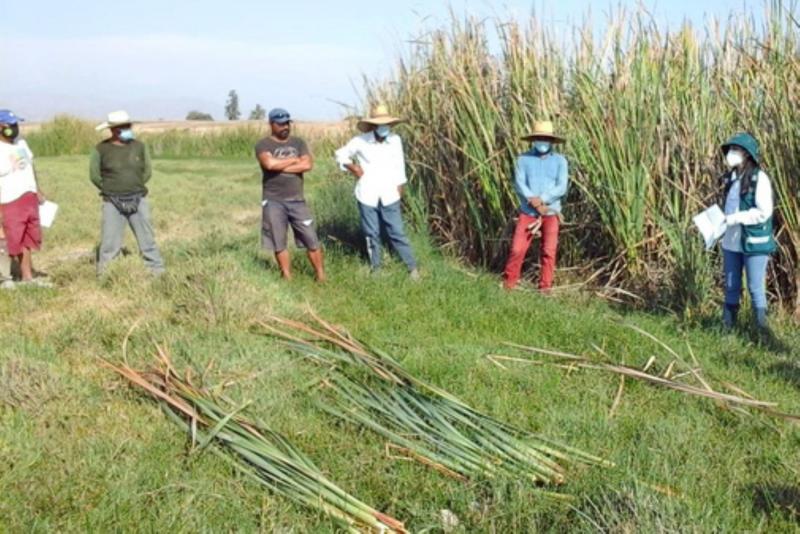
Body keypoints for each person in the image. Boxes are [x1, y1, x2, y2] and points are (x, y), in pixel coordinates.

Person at [334, 105, 419, 279]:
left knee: (396, 231)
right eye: (380, 124)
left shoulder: (395, 140)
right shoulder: (360, 141)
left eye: (387, 124)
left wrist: (400, 187)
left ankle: (412, 267)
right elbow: (340, 154)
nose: (384, 127)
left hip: (390, 192)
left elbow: (399, 165)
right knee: (371, 232)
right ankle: (376, 268)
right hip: (367, 192)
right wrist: (353, 168)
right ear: (372, 126)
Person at [91, 110, 165, 276]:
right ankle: (106, 275)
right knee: (110, 243)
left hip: (138, 198)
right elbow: (94, 175)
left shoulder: (139, 147)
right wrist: (111, 188)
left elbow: (147, 172)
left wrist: (134, 185)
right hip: (112, 202)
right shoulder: (101, 149)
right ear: (113, 130)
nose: (127, 129)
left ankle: (157, 271)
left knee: (147, 239)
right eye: (122, 127)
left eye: (128, 126)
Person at [255, 108, 325, 282]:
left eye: (287, 123)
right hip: (273, 200)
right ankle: (286, 275)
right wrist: (294, 160)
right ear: (271, 124)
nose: (285, 127)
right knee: (278, 240)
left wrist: (281, 165)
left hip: (297, 200)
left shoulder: (298, 142)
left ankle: (320, 275)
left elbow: (307, 165)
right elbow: (269, 163)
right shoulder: (263, 144)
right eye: (280, 124)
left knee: (311, 238)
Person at [719, 132, 776, 331]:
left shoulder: (759, 178)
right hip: (731, 241)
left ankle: (761, 331)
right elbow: (727, 209)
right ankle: (727, 328)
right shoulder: (730, 178)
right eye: (731, 149)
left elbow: (764, 212)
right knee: (731, 286)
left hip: (754, 242)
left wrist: (736, 218)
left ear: (747, 154)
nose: (732, 153)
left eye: (736, 149)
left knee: (755, 288)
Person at [502, 120, 568, 291]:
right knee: (517, 249)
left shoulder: (560, 161)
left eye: (545, 139)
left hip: (551, 212)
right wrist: (533, 201)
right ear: (533, 140)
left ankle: (545, 288)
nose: (542, 142)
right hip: (528, 212)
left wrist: (543, 200)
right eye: (539, 138)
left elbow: (561, 186)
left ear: (552, 141)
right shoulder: (523, 159)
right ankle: (509, 283)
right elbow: (519, 183)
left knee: (548, 251)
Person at [0, 109, 48, 288]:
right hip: (8, 199)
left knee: (27, 239)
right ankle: (4, 278)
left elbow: (30, 167)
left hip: (29, 197)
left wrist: (38, 190)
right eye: (8, 126)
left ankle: (27, 277)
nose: (14, 128)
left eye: (15, 124)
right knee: (7, 238)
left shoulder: (22, 143)